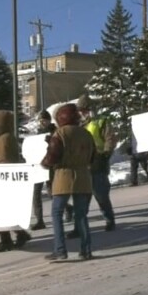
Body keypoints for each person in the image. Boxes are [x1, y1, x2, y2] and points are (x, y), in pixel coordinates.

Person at [41, 103, 96, 261]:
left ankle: (60, 250)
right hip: (83, 175)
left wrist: (44, 163)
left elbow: (52, 156)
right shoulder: (86, 133)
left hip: (63, 175)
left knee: (57, 213)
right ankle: (86, 250)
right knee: (81, 215)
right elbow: (93, 156)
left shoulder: (60, 133)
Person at [0, 109, 33, 253]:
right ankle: (17, 235)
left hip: (1, 184)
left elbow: (6, 163)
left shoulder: (5, 139)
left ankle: (8, 239)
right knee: (0, 213)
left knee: (1, 213)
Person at [76, 94, 117, 231]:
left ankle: (109, 219)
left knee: (101, 195)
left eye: (84, 110)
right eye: (80, 110)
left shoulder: (101, 122)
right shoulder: (79, 125)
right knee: (82, 199)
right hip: (83, 166)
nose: (82, 113)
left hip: (98, 163)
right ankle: (79, 226)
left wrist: (106, 154)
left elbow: (109, 139)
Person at [31, 110, 56, 230]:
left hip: (50, 166)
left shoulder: (54, 132)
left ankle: (67, 208)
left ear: (49, 121)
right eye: (40, 121)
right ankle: (39, 220)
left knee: (52, 192)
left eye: (44, 120)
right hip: (38, 166)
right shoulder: (37, 134)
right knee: (36, 193)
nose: (42, 123)